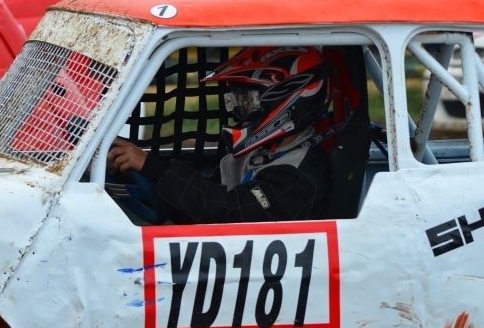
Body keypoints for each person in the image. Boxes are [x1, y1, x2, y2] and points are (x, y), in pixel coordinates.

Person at [108, 46, 335, 224]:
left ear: (285, 99)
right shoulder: (262, 153)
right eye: (235, 101)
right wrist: (128, 170)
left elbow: (227, 211)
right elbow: (205, 196)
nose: (239, 111)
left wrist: (152, 167)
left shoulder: (299, 176)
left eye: (247, 101)